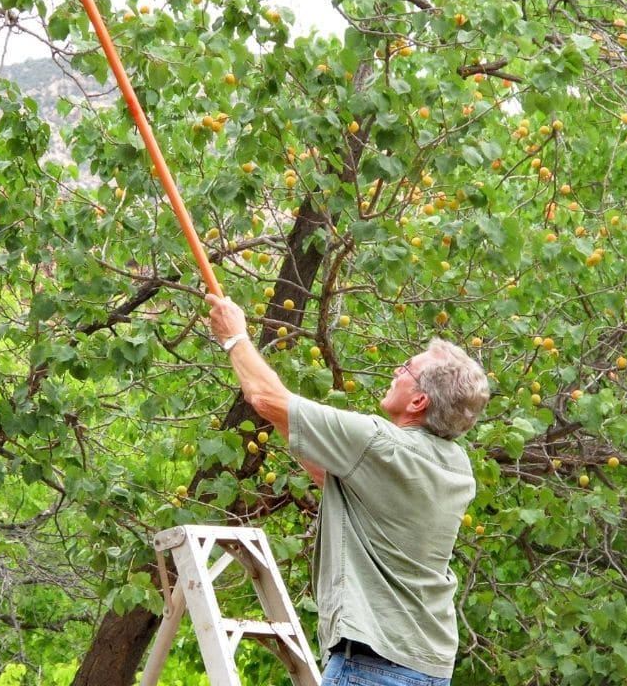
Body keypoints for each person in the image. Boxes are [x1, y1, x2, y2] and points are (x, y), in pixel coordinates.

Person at [205, 293, 490, 686]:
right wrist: (298, 429)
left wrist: (235, 337)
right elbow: (329, 472)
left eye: (407, 368)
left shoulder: (378, 444)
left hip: (370, 667)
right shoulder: (456, 466)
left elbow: (265, 398)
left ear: (419, 400)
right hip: (427, 670)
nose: (396, 369)